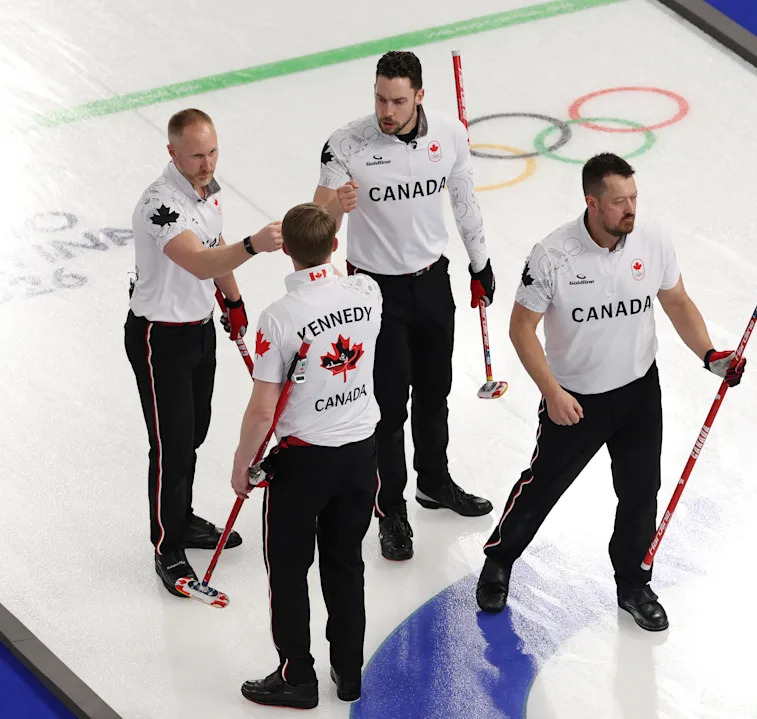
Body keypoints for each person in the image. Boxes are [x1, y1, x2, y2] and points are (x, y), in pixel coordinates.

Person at [475, 153, 747, 631]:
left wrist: (710, 355)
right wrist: (552, 391)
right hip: (576, 400)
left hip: (640, 391)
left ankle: (633, 583)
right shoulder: (552, 255)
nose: (631, 209)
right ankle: (499, 561)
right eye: (619, 201)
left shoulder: (652, 241)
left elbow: (676, 301)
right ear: (592, 203)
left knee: (641, 492)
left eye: (634, 198)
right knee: (543, 487)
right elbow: (521, 330)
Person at [313, 50, 496, 561]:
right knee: (389, 407)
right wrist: (334, 208)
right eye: (379, 98)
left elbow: (464, 198)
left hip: (433, 281)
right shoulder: (346, 143)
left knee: (435, 391)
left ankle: (434, 482)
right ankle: (390, 509)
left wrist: (479, 263)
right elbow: (313, 230)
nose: (385, 111)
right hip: (374, 292)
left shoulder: (450, 134)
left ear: (419, 96)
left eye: (397, 100)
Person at [124, 108, 283, 598]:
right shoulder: (160, 205)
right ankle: (167, 547)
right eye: (195, 155)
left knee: (194, 431)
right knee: (171, 443)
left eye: (212, 152)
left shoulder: (208, 194)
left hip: (198, 332)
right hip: (159, 338)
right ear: (172, 152)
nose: (206, 163)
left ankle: (183, 515)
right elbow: (198, 260)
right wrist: (253, 245)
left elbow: (215, 256)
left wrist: (232, 301)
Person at [233, 203, 382, 709]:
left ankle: (298, 676)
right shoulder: (367, 293)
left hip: (303, 464)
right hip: (362, 455)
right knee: (346, 564)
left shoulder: (279, 318)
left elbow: (262, 408)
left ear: (286, 252)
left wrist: (241, 465)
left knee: (289, 569)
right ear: (334, 245)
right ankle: (349, 670)